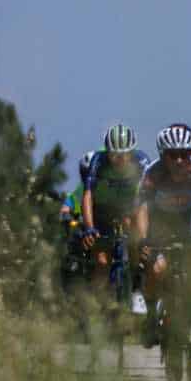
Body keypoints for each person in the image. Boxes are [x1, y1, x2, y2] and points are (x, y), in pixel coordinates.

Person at [135, 125, 191, 368]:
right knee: (156, 268)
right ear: (163, 155)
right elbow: (141, 209)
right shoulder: (152, 173)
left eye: (185, 153)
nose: (180, 160)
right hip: (162, 220)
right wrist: (143, 241)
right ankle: (152, 314)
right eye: (173, 155)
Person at [79, 124, 144, 311]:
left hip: (129, 209)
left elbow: (147, 198)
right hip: (103, 212)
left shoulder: (141, 161)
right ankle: (97, 306)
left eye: (125, 154)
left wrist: (143, 234)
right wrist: (89, 227)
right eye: (114, 155)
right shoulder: (98, 161)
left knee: (135, 238)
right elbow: (88, 195)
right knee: (101, 262)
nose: (120, 160)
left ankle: (136, 288)